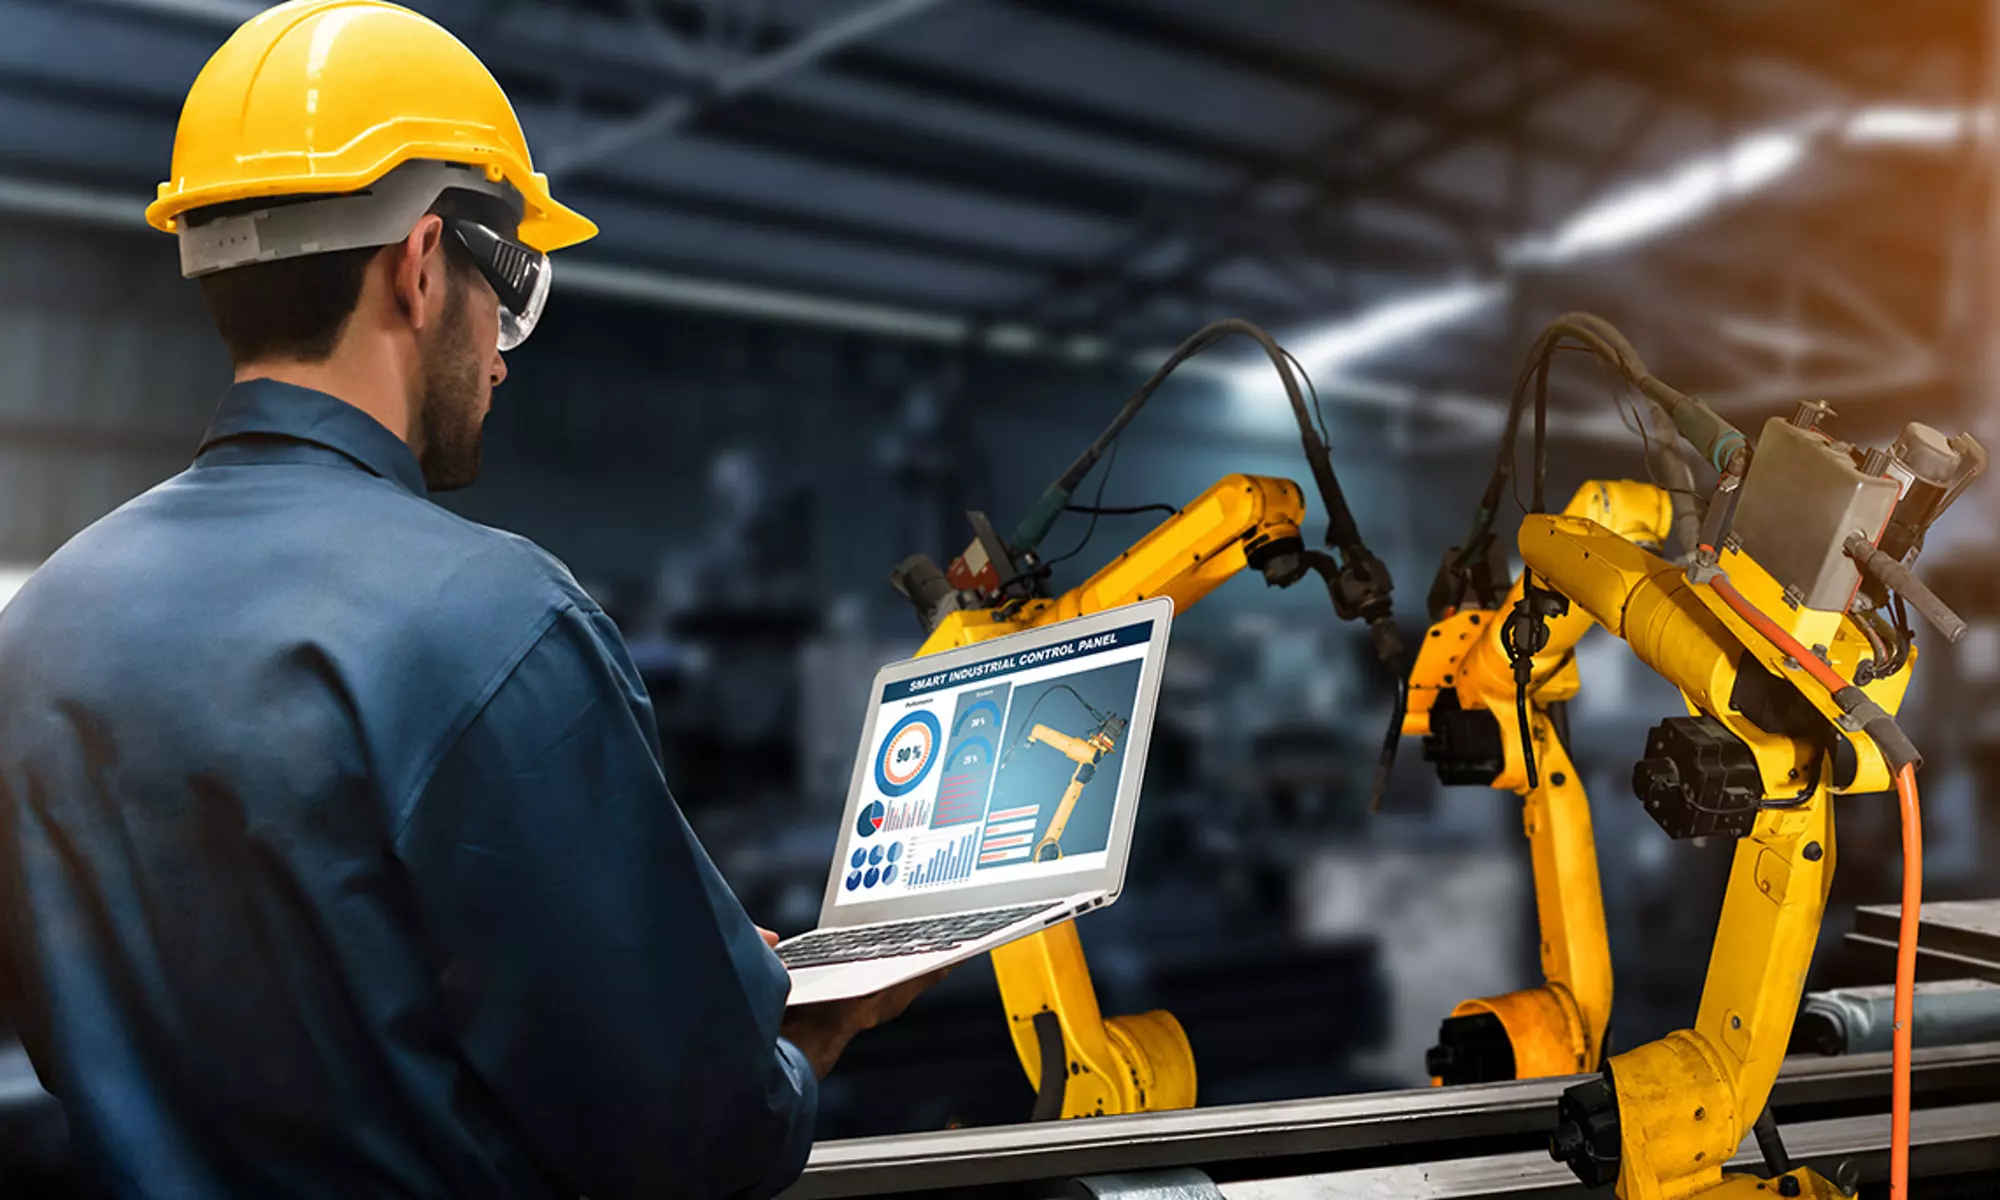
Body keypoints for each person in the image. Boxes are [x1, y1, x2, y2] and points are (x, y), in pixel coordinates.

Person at [0, 3, 930, 1196]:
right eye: (510, 294)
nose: (498, 356)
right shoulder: (489, 622)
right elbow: (693, 1142)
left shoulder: (37, 635)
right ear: (425, 264)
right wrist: (807, 1027)